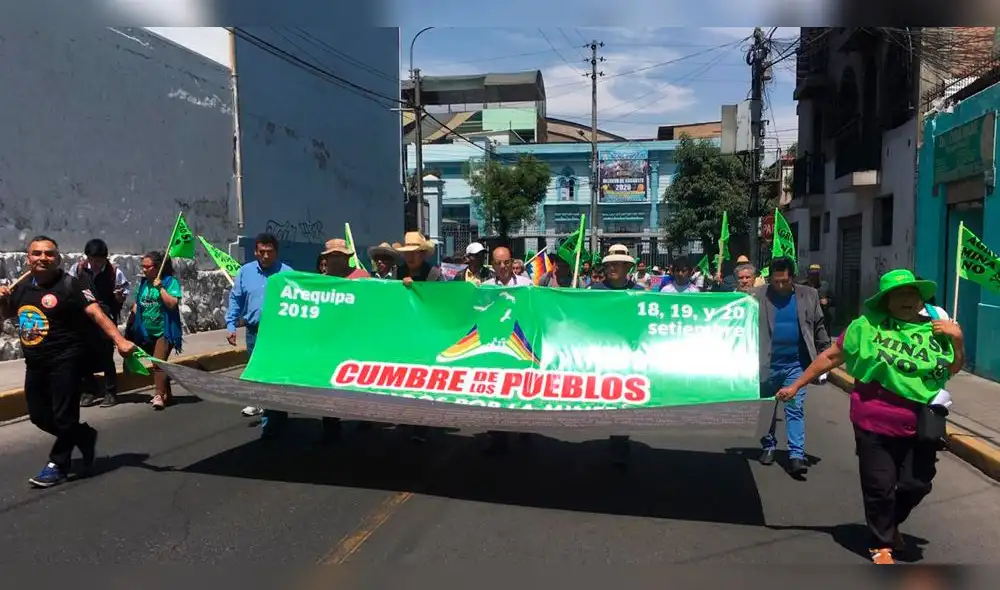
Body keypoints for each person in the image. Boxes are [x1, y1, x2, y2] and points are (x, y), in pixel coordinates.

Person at [775, 269, 964, 564]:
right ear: (886, 301)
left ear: (920, 299)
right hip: (873, 419)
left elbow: (952, 369)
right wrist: (797, 384)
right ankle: (882, 542)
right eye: (898, 294)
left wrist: (959, 340)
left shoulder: (938, 330)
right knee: (879, 485)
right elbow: (831, 357)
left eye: (912, 294)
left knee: (918, 483)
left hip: (923, 421)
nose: (906, 299)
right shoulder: (864, 327)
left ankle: (889, 524)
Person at [0, 236, 136, 488]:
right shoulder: (21, 287)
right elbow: (9, 313)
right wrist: (2, 298)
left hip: (67, 359)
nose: (43, 258)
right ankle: (83, 435)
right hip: (36, 362)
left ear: (58, 258)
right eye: (37, 253)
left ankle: (57, 464)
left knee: (64, 416)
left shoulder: (70, 285)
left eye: (49, 254)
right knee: (39, 416)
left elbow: (96, 313)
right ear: (28, 258)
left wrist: (119, 340)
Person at [753, 256, 830, 476]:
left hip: (796, 365)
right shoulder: (757, 296)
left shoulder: (809, 295)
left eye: (784, 281)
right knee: (769, 408)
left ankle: (797, 454)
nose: (779, 286)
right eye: (775, 281)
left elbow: (819, 327)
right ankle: (768, 445)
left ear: (793, 278)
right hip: (767, 364)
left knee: (794, 408)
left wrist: (825, 356)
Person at [589, 244, 646, 466]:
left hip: (628, 353)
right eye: (609, 264)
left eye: (617, 264)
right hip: (602, 351)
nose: (612, 268)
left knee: (623, 398)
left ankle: (620, 438)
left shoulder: (639, 293)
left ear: (627, 267)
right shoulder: (594, 291)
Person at [226, 233, 292, 419]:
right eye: (261, 252)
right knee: (257, 370)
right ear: (255, 252)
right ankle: (262, 405)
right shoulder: (245, 272)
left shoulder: (287, 273)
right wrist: (231, 324)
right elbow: (236, 299)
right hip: (254, 332)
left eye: (269, 252)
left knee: (275, 373)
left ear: (276, 253)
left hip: (278, 334)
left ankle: (274, 417)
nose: (265, 256)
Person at [313, 238, 371, 442]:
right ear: (325, 259)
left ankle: (365, 418)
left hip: (357, 340)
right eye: (331, 256)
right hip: (330, 341)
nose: (335, 260)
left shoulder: (362, 278)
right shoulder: (319, 282)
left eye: (339, 255)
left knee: (358, 380)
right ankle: (330, 422)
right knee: (328, 383)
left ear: (347, 257)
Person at [70, 238, 130, 408]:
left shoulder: (114, 272)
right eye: (92, 260)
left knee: (106, 356)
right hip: (83, 318)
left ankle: (110, 392)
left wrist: (119, 296)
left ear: (105, 258)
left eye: (99, 260)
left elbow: (123, 292)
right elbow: (69, 287)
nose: (95, 264)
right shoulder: (78, 269)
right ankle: (89, 390)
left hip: (105, 317)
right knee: (83, 355)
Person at [131, 251, 184, 410]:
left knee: (158, 362)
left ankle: (159, 395)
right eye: (143, 266)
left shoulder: (170, 282)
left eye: (148, 266)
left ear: (158, 267)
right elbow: (137, 305)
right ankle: (167, 394)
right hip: (146, 332)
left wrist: (160, 288)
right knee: (159, 364)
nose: (144, 269)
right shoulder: (142, 283)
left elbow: (172, 304)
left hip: (165, 331)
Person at [802, 264, 835, 329]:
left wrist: (827, 301)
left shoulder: (825, 286)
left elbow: (835, 301)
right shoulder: (803, 286)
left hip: (822, 321)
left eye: (816, 274)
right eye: (812, 274)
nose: (813, 276)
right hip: (807, 321)